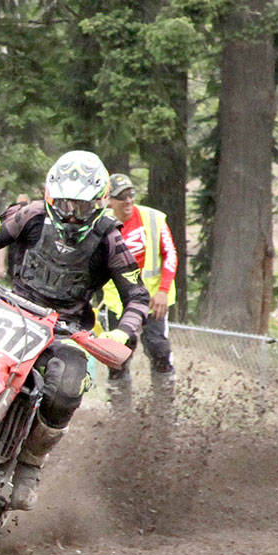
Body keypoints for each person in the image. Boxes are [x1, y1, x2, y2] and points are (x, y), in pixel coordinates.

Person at [0, 150, 150, 510]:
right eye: (63, 203)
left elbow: (137, 296)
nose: (70, 213)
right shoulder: (30, 214)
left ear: (99, 203)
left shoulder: (110, 239)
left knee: (66, 385)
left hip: (65, 330)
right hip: (11, 309)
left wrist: (120, 334)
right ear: (50, 195)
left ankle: (30, 462)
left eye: (80, 206)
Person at [100, 172, 177, 407]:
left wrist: (164, 289)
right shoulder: (100, 224)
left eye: (131, 195)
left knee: (158, 347)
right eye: (121, 197)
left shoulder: (153, 218)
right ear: (108, 200)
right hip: (118, 301)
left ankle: (164, 406)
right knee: (118, 356)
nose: (128, 201)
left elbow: (171, 255)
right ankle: (120, 413)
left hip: (154, 298)